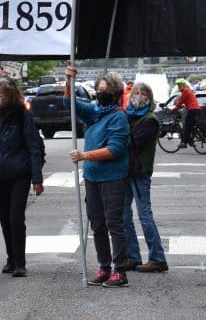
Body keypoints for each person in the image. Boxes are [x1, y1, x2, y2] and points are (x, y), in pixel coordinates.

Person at [66, 66, 131, 288]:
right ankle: (104, 266)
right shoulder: (95, 112)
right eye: (98, 89)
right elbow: (70, 104)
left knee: (114, 224)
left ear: (114, 93)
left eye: (103, 90)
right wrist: (68, 80)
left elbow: (115, 149)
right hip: (93, 178)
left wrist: (85, 155)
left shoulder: (118, 117)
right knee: (97, 224)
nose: (99, 94)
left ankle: (120, 270)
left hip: (112, 178)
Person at [0, 78, 44, 277]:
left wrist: (37, 179)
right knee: (4, 218)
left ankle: (20, 262)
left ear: (8, 94)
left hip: (19, 172)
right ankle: (11, 257)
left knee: (16, 217)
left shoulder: (22, 114)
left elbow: (34, 146)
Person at [122, 82, 167, 273]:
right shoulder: (127, 115)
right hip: (125, 171)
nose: (139, 96)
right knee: (124, 216)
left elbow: (133, 142)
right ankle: (133, 256)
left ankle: (157, 257)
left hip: (140, 173)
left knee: (144, 215)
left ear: (149, 98)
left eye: (143, 93)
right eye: (136, 93)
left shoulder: (150, 120)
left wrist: (118, 133)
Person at [172, 78, 201, 148]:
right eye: (178, 85)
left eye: (180, 85)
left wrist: (175, 109)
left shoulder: (185, 91)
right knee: (189, 126)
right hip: (195, 110)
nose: (179, 87)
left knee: (186, 127)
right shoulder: (187, 91)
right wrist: (181, 106)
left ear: (184, 85)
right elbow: (185, 101)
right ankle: (191, 141)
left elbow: (180, 101)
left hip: (193, 110)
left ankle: (184, 143)